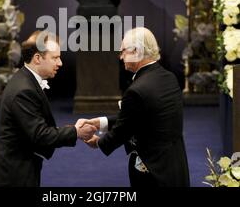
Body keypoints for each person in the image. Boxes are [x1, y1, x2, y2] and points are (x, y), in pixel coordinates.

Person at [81, 27, 190, 187]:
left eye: (123, 51)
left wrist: (99, 143)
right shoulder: (169, 77)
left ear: (137, 51)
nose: (120, 57)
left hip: (152, 172)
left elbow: (124, 129)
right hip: (175, 164)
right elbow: (141, 116)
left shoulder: (137, 89)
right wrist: (101, 122)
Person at [0, 30, 96, 187]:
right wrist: (76, 132)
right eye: (55, 58)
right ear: (37, 58)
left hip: (19, 165)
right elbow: (40, 135)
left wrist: (73, 129)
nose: (60, 63)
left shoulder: (25, 79)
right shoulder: (24, 90)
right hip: (12, 174)